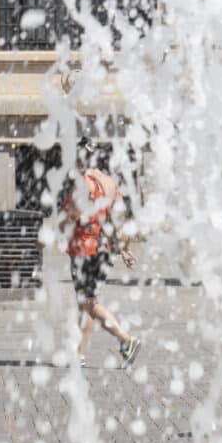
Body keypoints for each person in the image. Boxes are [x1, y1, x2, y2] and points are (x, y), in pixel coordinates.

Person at [60, 140, 141, 368]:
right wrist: (124, 248)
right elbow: (120, 219)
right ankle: (79, 354)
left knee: (89, 303)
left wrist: (47, 236)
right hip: (102, 251)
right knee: (85, 303)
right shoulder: (109, 183)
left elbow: (71, 217)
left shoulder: (82, 185)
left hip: (85, 251)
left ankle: (127, 340)